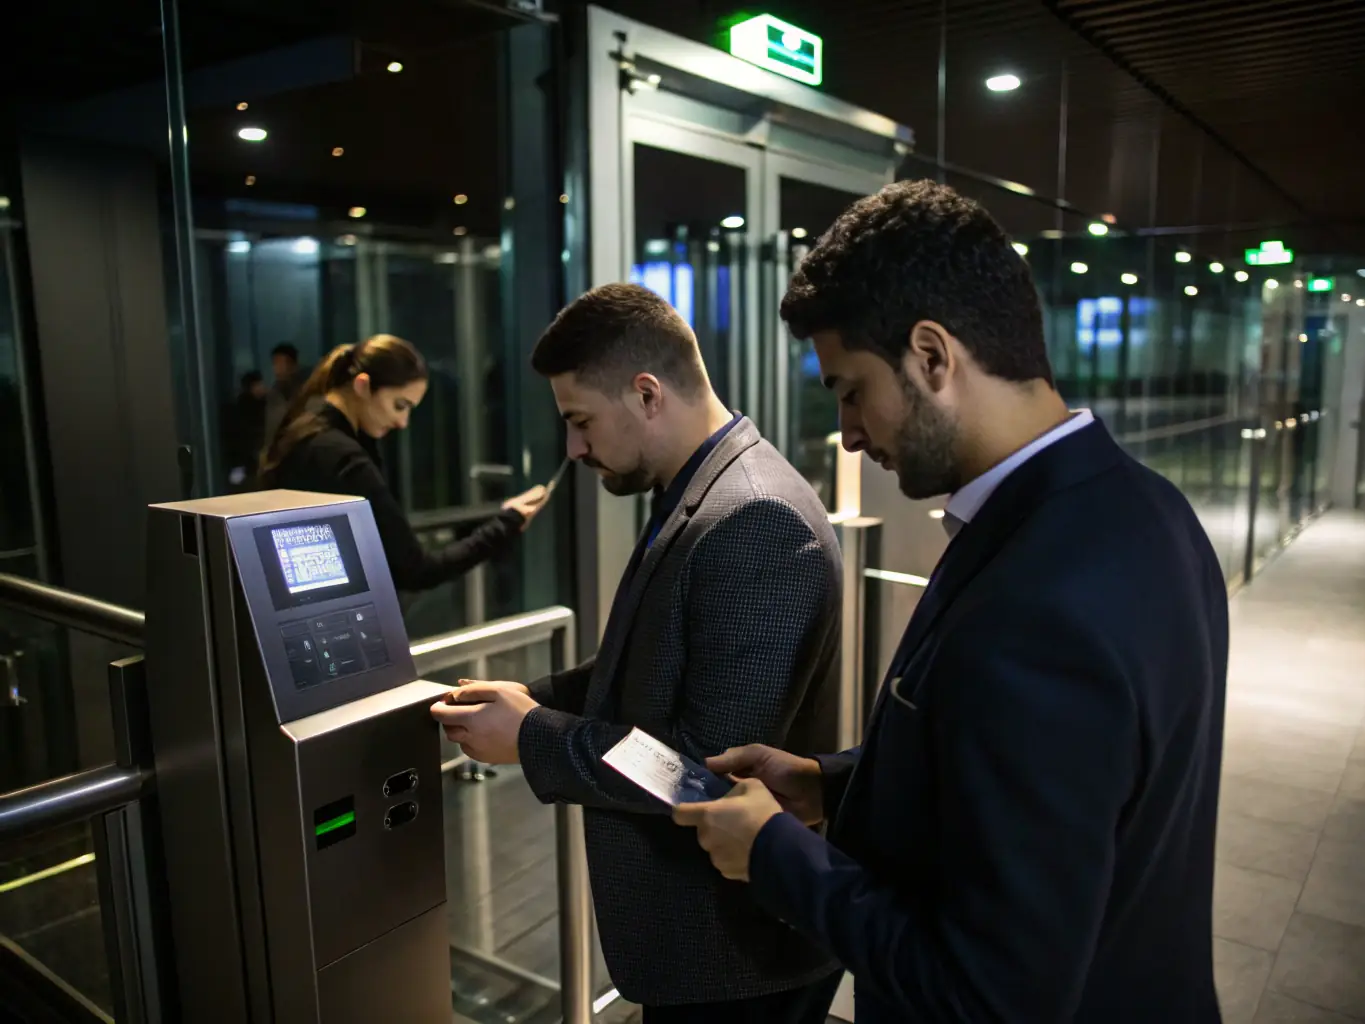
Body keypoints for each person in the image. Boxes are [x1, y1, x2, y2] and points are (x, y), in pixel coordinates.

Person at [673, 181, 1229, 1023]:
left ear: (932, 355)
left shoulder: (1037, 606)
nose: (851, 432)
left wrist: (775, 856)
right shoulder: (1143, 509)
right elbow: (1065, 788)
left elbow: (988, 990)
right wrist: (831, 786)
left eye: (851, 390)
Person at [432, 284, 844, 1022]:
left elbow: (699, 769)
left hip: (736, 958)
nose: (575, 448)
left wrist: (529, 735)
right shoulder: (700, 490)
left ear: (646, 393)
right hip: (705, 948)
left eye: (580, 420)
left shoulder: (755, 517)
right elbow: (644, 660)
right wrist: (529, 697)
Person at [259, 333, 546, 592]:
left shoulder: (305, 429)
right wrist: (507, 523)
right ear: (362, 385)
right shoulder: (340, 455)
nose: (402, 422)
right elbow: (417, 570)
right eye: (400, 405)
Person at [221, 370, 267, 491]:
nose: (263, 388)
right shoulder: (245, 410)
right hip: (247, 463)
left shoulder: (262, 404)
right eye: (259, 385)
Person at [263, 342, 308, 447]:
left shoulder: (307, 392)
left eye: (281, 363)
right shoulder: (273, 396)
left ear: (294, 366)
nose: (277, 369)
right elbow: (270, 431)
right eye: (275, 363)